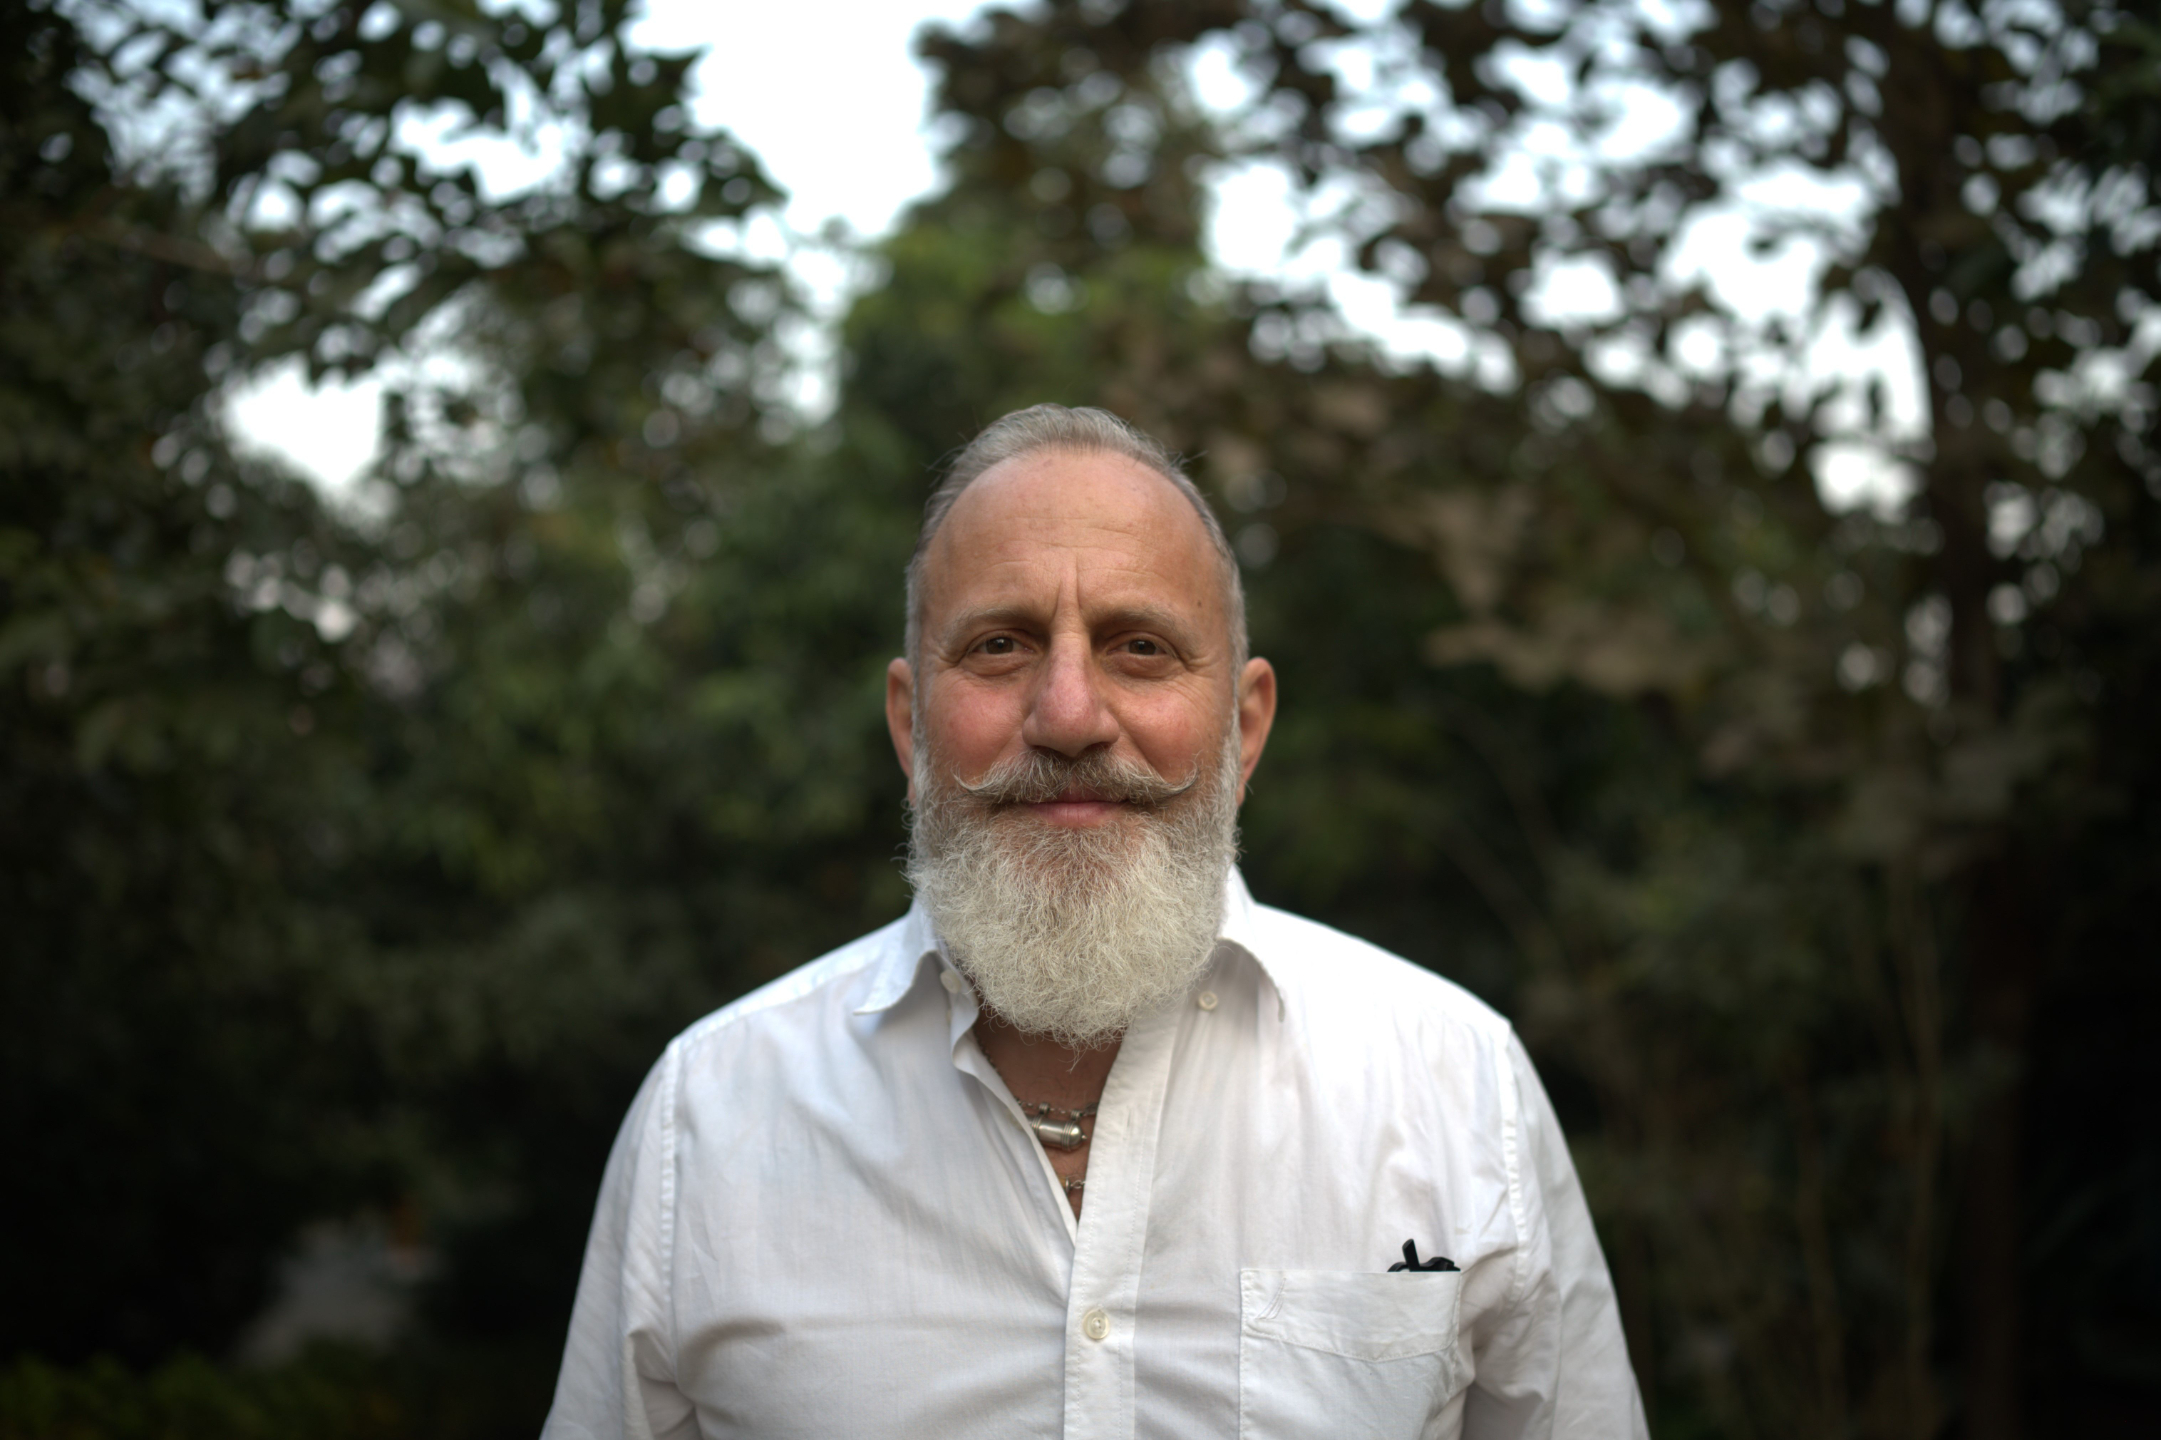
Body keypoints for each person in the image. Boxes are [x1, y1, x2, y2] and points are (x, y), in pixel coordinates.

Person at [542, 404, 1647, 1439]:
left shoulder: (1456, 1084)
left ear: (1244, 730)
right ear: (910, 727)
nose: (1069, 716)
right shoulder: (713, 1114)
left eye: (1140, 649)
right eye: (999, 647)